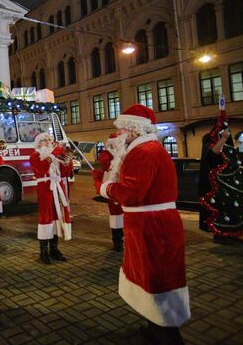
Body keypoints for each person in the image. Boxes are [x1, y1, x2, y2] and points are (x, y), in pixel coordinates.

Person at [98, 105, 189, 344]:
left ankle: (166, 337)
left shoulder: (144, 152)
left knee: (158, 282)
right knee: (151, 282)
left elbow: (131, 193)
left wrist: (106, 188)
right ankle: (155, 328)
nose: (119, 134)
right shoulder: (145, 149)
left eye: (122, 129)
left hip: (153, 229)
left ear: (134, 128)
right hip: (149, 226)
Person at [199, 120, 243, 245]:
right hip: (219, 187)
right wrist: (223, 139)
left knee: (235, 210)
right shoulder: (210, 143)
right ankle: (221, 235)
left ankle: (233, 234)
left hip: (231, 186)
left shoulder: (227, 146)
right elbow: (212, 156)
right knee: (223, 210)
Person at [29, 132, 73, 265]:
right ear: (38, 143)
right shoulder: (35, 156)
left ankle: (54, 249)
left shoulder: (54, 155)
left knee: (56, 216)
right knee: (46, 217)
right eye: (44, 140)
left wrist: (67, 161)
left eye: (49, 139)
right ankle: (44, 251)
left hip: (57, 186)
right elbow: (42, 169)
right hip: (45, 188)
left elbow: (65, 172)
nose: (48, 142)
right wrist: (54, 155)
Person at [93, 133, 124, 252]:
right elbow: (104, 162)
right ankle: (117, 241)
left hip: (123, 185)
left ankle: (123, 237)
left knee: (124, 212)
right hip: (111, 185)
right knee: (115, 213)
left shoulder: (123, 153)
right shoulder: (107, 155)